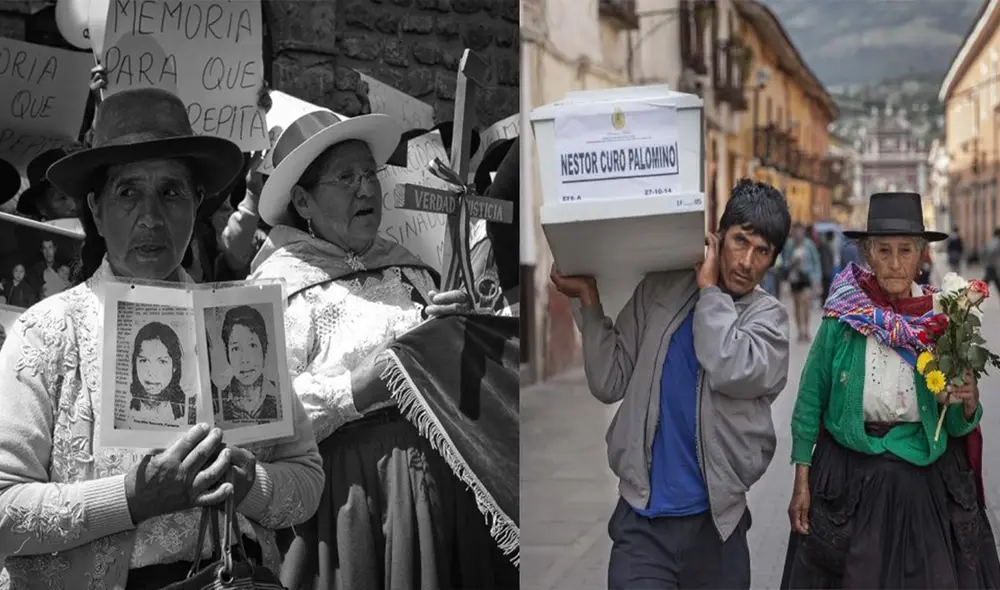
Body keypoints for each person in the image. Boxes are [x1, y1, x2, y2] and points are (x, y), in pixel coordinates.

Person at [0, 87, 324, 588]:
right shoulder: (47, 332)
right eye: (128, 192)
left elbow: (305, 478)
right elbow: (4, 511)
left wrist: (248, 483)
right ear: (96, 208)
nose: (151, 217)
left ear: (196, 202)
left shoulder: (234, 322)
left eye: (171, 191)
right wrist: (130, 498)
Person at [251, 110, 516, 589]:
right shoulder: (277, 287)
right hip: (351, 499)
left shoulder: (412, 269)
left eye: (369, 174)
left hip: (439, 480)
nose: (366, 188)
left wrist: (453, 328)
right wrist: (357, 387)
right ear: (303, 201)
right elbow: (262, 418)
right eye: (346, 177)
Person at [550, 178, 793, 590]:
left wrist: (709, 292)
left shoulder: (769, 322)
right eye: (740, 241)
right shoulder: (662, 288)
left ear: (773, 261)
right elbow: (610, 381)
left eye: (762, 251)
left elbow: (727, 364)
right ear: (718, 237)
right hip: (643, 525)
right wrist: (588, 302)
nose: (747, 261)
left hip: (717, 528)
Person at [781, 192, 1000, 588]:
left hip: (922, 483)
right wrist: (801, 478)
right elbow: (810, 397)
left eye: (905, 250)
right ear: (867, 254)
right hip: (849, 481)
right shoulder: (843, 316)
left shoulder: (943, 319)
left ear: (921, 256)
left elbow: (955, 424)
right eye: (883, 250)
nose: (895, 262)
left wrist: (967, 405)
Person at [216, 305, 280, 425]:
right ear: (227, 354)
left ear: (264, 348)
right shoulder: (218, 403)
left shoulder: (280, 396)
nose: (245, 360)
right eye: (235, 348)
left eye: (252, 346)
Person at [127, 321, 195, 429]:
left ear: (175, 367)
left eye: (162, 362)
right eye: (144, 361)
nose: (152, 373)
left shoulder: (187, 408)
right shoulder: (128, 406)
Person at [782, 223, 822, 342]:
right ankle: (800, 330)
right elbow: (785, 263)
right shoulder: (789, 246)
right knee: (797, 304)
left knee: (805, 303)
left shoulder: (809, 245)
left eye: (800, 231)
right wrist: (792, 263)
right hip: (794, 278)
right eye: (795, 231)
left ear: (803, 232)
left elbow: (816, 261)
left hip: (806, 277)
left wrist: (817, 278)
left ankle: (806, 330)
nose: (798, 234)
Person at [983, 227, 1000, 295]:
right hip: (993, 266)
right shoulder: (998, 242)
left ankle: (977, 293)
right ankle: (975, 294)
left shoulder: (990, 241)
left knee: (987, 282)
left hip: (989, 265)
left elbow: (984, 252)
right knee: (986, 283)